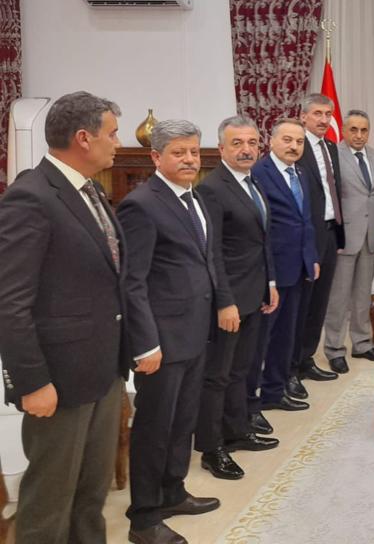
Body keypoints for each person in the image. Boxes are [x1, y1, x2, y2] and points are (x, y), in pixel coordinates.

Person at [0, 92, 126, 544]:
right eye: (112, 133)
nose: (118, 143)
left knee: (90, 495)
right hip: (58, 379)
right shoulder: (31, 196)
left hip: (103, 370)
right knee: (50, 502)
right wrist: (32, 382)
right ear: (83, 138)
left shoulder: (91, 191)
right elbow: (10, 301)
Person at [118, 120, 223, 544]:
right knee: (155, 428)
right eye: (179, 153)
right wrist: (146, 344)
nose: (189, 160)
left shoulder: (193, 198)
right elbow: (132, 282)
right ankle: (144, 518)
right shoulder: (141, 204)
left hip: (195, 332)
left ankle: (173, 492)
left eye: (194, 152)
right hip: (161, 341)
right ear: (156, 157)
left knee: (182, 422)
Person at [195, 116, 280, 482]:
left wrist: (270, 283)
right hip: (228, 299)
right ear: (221, 149)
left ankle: (236, 431)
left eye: (252, 143)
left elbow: (262, 240)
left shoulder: (252, 181)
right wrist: (224, 301)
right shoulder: (212, 188)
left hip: (254, 292)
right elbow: (211, 251)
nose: (246, 149)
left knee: (240, 370)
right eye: (237, 143)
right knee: (217, 375)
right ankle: (211, 448)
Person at [250, 119, 319, 413]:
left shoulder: (300, 172)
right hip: (274, 269)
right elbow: (261, 228)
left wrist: (311, 256)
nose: (294, 147)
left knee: (287, 334)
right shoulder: (259, 173)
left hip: (299, 265)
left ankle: (275, 390)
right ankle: (259, 395)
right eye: (288, 140)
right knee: (267, 336)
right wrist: (269, 275)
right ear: (272, 141)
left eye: (299, 142)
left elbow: (306, 220)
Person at [323, 109, 374, 372]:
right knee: (338, 298)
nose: (359, 135)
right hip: (345, 236)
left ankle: (361, 343)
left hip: (370, 235)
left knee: (362, 294)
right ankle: (334, 349)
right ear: (344, 130)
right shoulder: (333, 156)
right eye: (354, 130)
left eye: (364, 130)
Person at [293, 94, 346, 389]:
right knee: (301, 303)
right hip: (305, 235)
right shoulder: (297, 147)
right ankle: (290, 367)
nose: (324, 120)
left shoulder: (331, 147)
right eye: (317, 114)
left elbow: (333, 190)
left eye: (328, 114)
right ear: (303, 117)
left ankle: (306, 359)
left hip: (329, 231)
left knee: (319, 302)